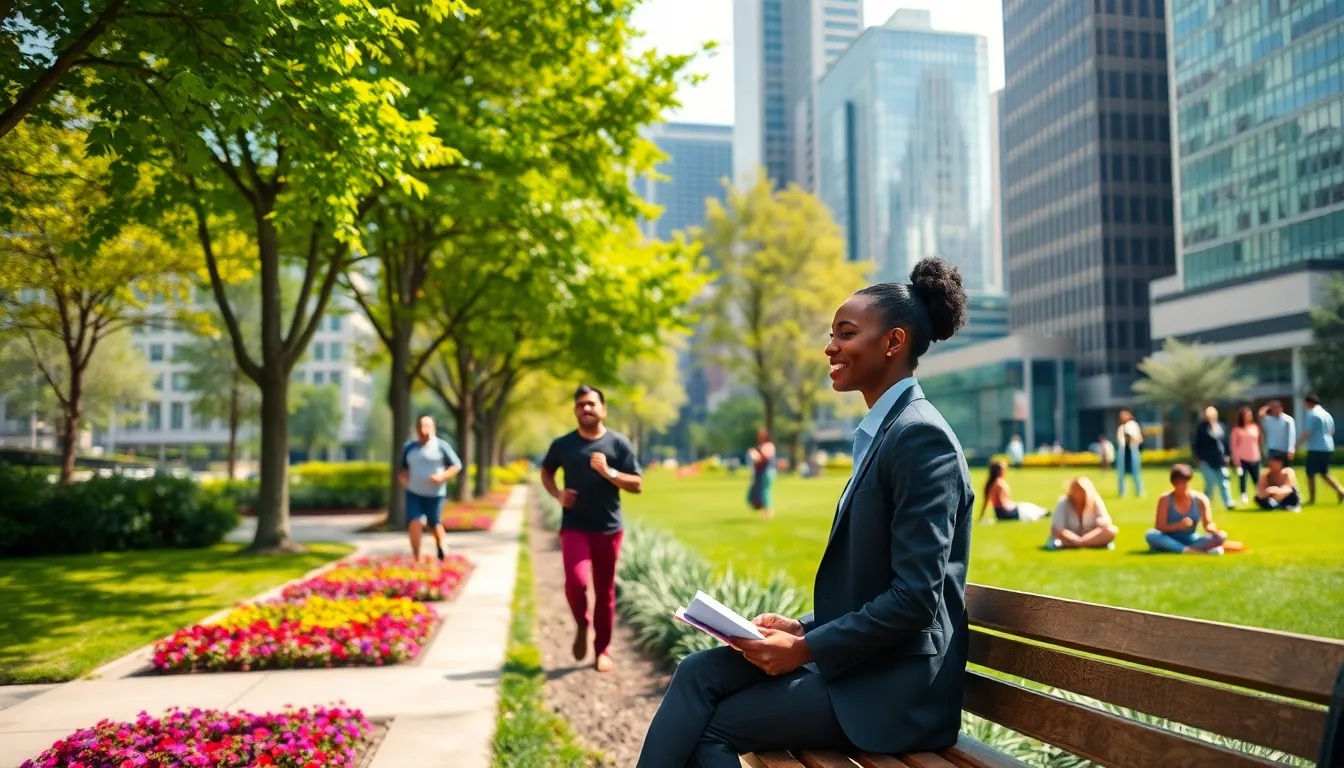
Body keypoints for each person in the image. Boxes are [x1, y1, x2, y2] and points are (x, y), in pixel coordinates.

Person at [637, 257, 973, 765]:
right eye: (832, 333)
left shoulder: (921, 439)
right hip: (866, 665)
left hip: (898, 691)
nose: (830, 346)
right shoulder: (890, 431)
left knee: (712, 730)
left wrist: (806, 651)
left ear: (893, 342)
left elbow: (914, 599)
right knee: (697, 673)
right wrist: (802, 628)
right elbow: (877, 587)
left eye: (846, 332)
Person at [540, 385, 642, 673]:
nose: (586, 408)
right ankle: (583, 624)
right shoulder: (563, 445)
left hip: (609, 528)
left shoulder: (618, 444)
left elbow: (637, 484)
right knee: (576, 582)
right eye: (580, 405)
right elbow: (546, 471)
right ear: (575, 410)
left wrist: (609, 472)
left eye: (591, 404)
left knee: (605, 591)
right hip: (574, 526)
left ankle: (603, 650)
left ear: (603, 409)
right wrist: (558, 495)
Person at [397, 415, 462, 562]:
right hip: (414, 493)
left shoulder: (441, 446)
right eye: (420, 426)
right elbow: (403, 469)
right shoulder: (409, 447)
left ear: (433, 428)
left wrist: (442, 476)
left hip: (435, 494)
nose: (423, 430)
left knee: (434, 523)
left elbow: (456, 465)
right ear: (416, 429)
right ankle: (417, 557)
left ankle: (441, 546)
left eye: (427, 426)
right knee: (415, 522)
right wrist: (403, 479)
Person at [1144, 464, 1230, 555]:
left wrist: (1215, 531)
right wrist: (1178, 526)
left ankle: (1174, 549)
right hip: (1168, 538)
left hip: (1191, 540)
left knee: (1221, 537)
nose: (1181, 487)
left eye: (1184, 483)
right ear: (1173, 484)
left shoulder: (1200, 499)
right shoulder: (1165, 499)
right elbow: (1159, 527)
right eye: (1178, 484)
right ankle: (1189, 551)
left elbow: (1207, 524)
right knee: (1151, 535)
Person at [1046, 476, 1118, 550]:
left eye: (1081, 490)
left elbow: (1106, 520)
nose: (1078, 492)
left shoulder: (1095, 500)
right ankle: (1089, 543)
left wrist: (1101, 522)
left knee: (1112, 530)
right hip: (1068, 536)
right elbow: (1057, 528)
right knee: (1057, 536)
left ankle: (1082, 543)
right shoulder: (1063, 502)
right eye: (1076, 489)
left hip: (1091, 536)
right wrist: (1073, 538)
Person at [1299, 394, 1343, 505]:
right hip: (1328, 446)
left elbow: (1307, 432)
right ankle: (1340, 490)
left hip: (1316, 447)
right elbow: (1332, 431)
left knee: (1310, 472)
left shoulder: (1312, 414)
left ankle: (1311, 499)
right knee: (1324, 472)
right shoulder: (1327, 414)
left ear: (1309, 403)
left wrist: (1297, 445)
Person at [978, 460, 1048, 523]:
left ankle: (1043, 512)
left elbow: (986, 502)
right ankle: (1044, 513)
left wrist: (981, 517)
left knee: (1024, 506)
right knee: (1026, 508)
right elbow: (1002, 503)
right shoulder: (999, 483)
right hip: (1006, 513)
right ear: (999, 471)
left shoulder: (991, 483)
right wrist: (1013, 506)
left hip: (1000, 514)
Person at [1193, 405, 1235, 510]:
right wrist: (1199, 458)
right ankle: (1205, 504)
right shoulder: (1202, 428)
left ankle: (1228, 503)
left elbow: (1226, 442)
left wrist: (1228, 455)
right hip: (1207, 460)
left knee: (1224, 483)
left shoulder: (1221, 426)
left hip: (1221, 460)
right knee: (1209, 484)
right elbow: (1197, 444)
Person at [1230, 406, 1262, 506]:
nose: (1249, 417)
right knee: (1243, 478)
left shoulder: (1255, 427)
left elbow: (1259, 442)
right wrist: (1236, 460)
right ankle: (1243, 495)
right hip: (1242, 458)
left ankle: (1260, 495)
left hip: (1255, 457)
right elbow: (1233, 446)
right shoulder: (1237, 430)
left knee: (1257, 479)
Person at [746, 429, 777, 518]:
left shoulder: (768, 446)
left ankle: (768, 511)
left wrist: (756, 455)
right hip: (761, 472)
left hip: (767, 471)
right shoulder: (761, 446)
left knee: (765, 491)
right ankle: (763, 508)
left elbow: (765, 458)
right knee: (759, 491)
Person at [1116, 410, 1144, 498]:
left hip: (1132, 449)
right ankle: (1122, 493)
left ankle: (1139, 492)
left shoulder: (1133, 425)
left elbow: (1139, 439)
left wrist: (1131, 437)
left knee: (1136, 472)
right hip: (1123, 451)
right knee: (1121, 473)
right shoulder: (1121, 428)